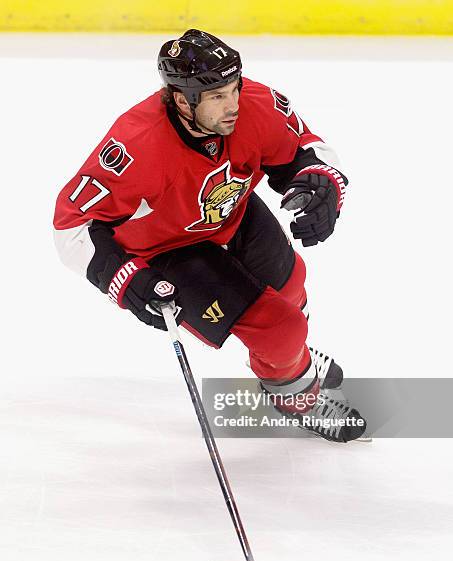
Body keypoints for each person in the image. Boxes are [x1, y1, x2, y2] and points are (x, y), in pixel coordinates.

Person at [53, 29, 366, 443]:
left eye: (234, 88)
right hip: (168, 249)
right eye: (218, 96)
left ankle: (295, 362)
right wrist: (127, 281)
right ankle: (296, 395)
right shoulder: (136, 144)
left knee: (292, 285)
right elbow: (72, 224)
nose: (234, 104)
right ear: (183, 100)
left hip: (231, 213)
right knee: (280, 329)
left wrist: (321, 184)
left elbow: (305, 150)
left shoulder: (255, 104)